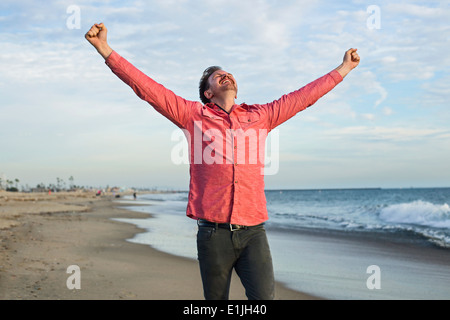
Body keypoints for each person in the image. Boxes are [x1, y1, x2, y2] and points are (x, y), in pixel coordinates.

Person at [85, 23, 360, 300]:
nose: (225, 76)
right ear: (208, 93)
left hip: (254, 234)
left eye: (228, 74)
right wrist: (104, 49)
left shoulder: (261, 115)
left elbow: (303, 98)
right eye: (217, 77)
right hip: (213, 235)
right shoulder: (193, 116)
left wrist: (344, 68)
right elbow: (146, 88)